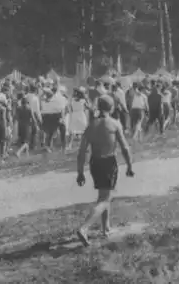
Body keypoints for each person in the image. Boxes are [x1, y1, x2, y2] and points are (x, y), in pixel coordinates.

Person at [76, 95, 134, 246]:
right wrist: (129, 166)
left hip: (95, 163)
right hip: (108, 162)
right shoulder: (114, 124)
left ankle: (106, 228)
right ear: (112, 108)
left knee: (104, 194)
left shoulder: (91, 126)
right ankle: (84, 228)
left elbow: (82, 151)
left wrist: (80, 172)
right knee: (105, 198)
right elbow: (125, 147)